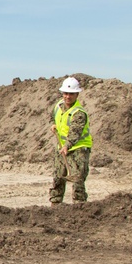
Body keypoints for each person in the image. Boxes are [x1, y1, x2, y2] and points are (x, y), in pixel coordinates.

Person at [50, 76, 93, 204]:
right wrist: (53, 125)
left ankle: (79, 208)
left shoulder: (79, 113)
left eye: (71, 94)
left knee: (77, 180)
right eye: (66, 93)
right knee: (58, 178)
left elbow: (75, 133)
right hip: (62, 147)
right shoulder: (58, 106)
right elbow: (53, 117)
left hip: (78, 149)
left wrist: (67, 146)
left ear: (77, 94)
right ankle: (55, 205)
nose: (68, 96)